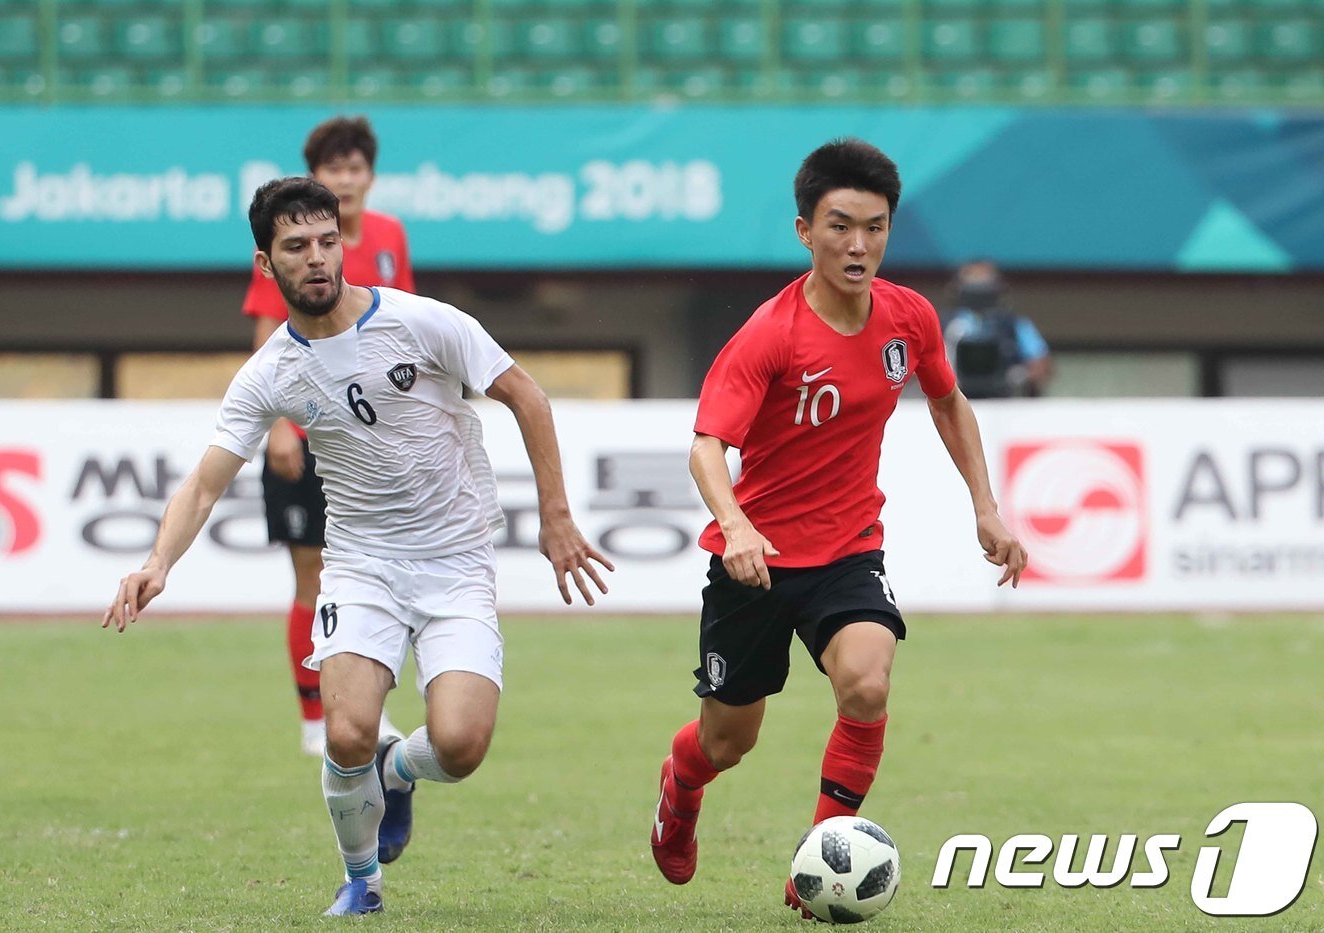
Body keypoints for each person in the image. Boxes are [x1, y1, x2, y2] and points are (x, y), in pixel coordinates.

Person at [105, 177, 614, 916]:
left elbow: (527, 397)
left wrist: (557, 515)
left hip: (455, 559)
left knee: (462, 746)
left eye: (326, 241)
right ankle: (362, 879)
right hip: (361, 563)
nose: (316, 258)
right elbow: (204, 485)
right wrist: (157, 562)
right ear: (264, 264)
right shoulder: (271, 372)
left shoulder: (423, 322)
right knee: (344, 731)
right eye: (295, 247)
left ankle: (399, 768)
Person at [647, 139, 1029, 916]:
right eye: (840, 226)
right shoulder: (770, 334)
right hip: (753, 563)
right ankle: (679, 788)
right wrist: (738, 523)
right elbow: (706, 446)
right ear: (804, 230)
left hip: (849, 550)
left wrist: (985, 505)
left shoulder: (908, 317)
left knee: (867, 680)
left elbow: (949, 401)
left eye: (876, 228)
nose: (859, 246)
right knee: (727, 742)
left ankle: (817, 866)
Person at [242, 116, 417, 756]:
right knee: (312, 579)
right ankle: (314, 716)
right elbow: (269, 338)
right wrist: (280, 428)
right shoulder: (292, 245)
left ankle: (369, 708)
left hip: (376, 438)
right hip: (309, 430)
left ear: (370, 175)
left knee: (387, 577)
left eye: (355, 167)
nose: (345, 179)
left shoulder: (391, 235)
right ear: (314, 177)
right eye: (333, 168)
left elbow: (407, 330)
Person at [942, 260, 1051, 399]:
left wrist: (1019, 376)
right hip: (952, 398)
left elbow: (1041, 363)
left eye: (984, 284)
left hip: (1004, 402)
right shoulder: (944, 325)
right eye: (973, 283)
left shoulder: (1014, 325)